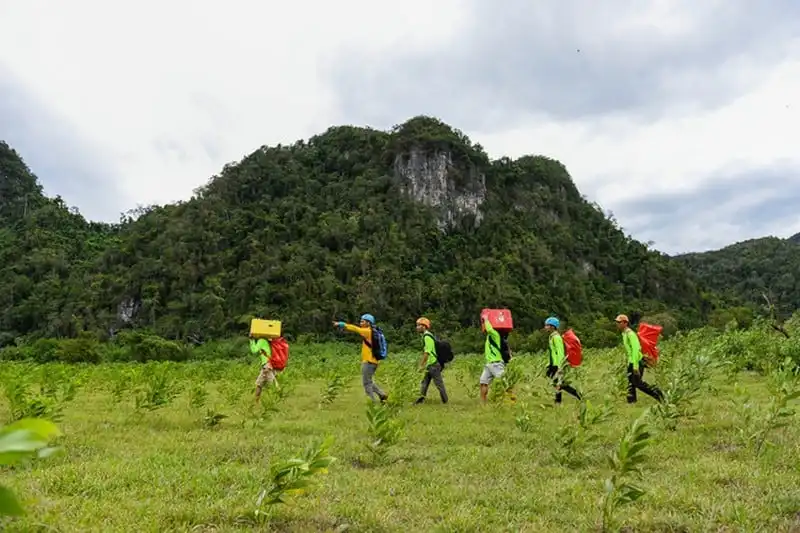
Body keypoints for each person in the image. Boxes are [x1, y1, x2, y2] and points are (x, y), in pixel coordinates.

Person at [333, 313, 388, 403]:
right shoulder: (372, 331)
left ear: (368, 323)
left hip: (369, 362)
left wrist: (341, 324)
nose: (360, 323)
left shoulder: (367, 331)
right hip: (373, 361)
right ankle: (382, 395)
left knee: (366, 383)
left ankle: (371, 402)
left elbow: (354, 329)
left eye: (363, 321)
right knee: (369, 381)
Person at [615, 314, 663, 403]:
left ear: (625, 323)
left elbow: (636, 350)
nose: (617, 324)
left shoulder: (630, 334)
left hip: (637, 361)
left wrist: (635, 366)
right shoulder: (624, 334)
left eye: (619, 322)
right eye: (617, 322)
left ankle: (658, 394)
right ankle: (631, 401)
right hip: (631, 361)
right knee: (631, 382)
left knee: (638, 383)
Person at [543, 316, 581, 404]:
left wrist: (560, 365)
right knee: (556, 381)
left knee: (559, 382)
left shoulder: (556, 337)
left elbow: (560, 352)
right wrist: (550, 363)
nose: (545, 327)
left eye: (547, 325)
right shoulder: (552, 336)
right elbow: (553, 353)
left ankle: (574, 395)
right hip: (554, 364)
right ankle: (559, 400)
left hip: (558, 364)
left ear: (552, 326)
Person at [414, 317, 448, 404]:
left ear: (424, 327)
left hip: (433, 364)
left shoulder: (427, 337)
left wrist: (421, 365)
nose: (417, 327)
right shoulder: (426, 336)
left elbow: (427, 352)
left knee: (439, 384)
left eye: (419, 325)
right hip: (430, 364)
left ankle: (445, 401)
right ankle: (420, 400)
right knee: (424, 382)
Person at [479, 316, 506, 404]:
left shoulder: (495, 334)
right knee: (483, 382)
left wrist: (486, 319)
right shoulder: (488, 337)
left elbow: (490, 329)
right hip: (489, 364)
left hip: (496, 364)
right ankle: (483, 403)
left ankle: (511, 401)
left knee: (505, 384)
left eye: (483, 324)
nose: (483, 326)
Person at [250, 334, 280, 403]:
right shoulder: (269, 341)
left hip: (267, 366)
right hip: (271, 365)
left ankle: (280, 397)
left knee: (273, 385)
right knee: (259, 384)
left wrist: (251, 340)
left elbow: (254, 350)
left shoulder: (261, 340)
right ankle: (256, 402)